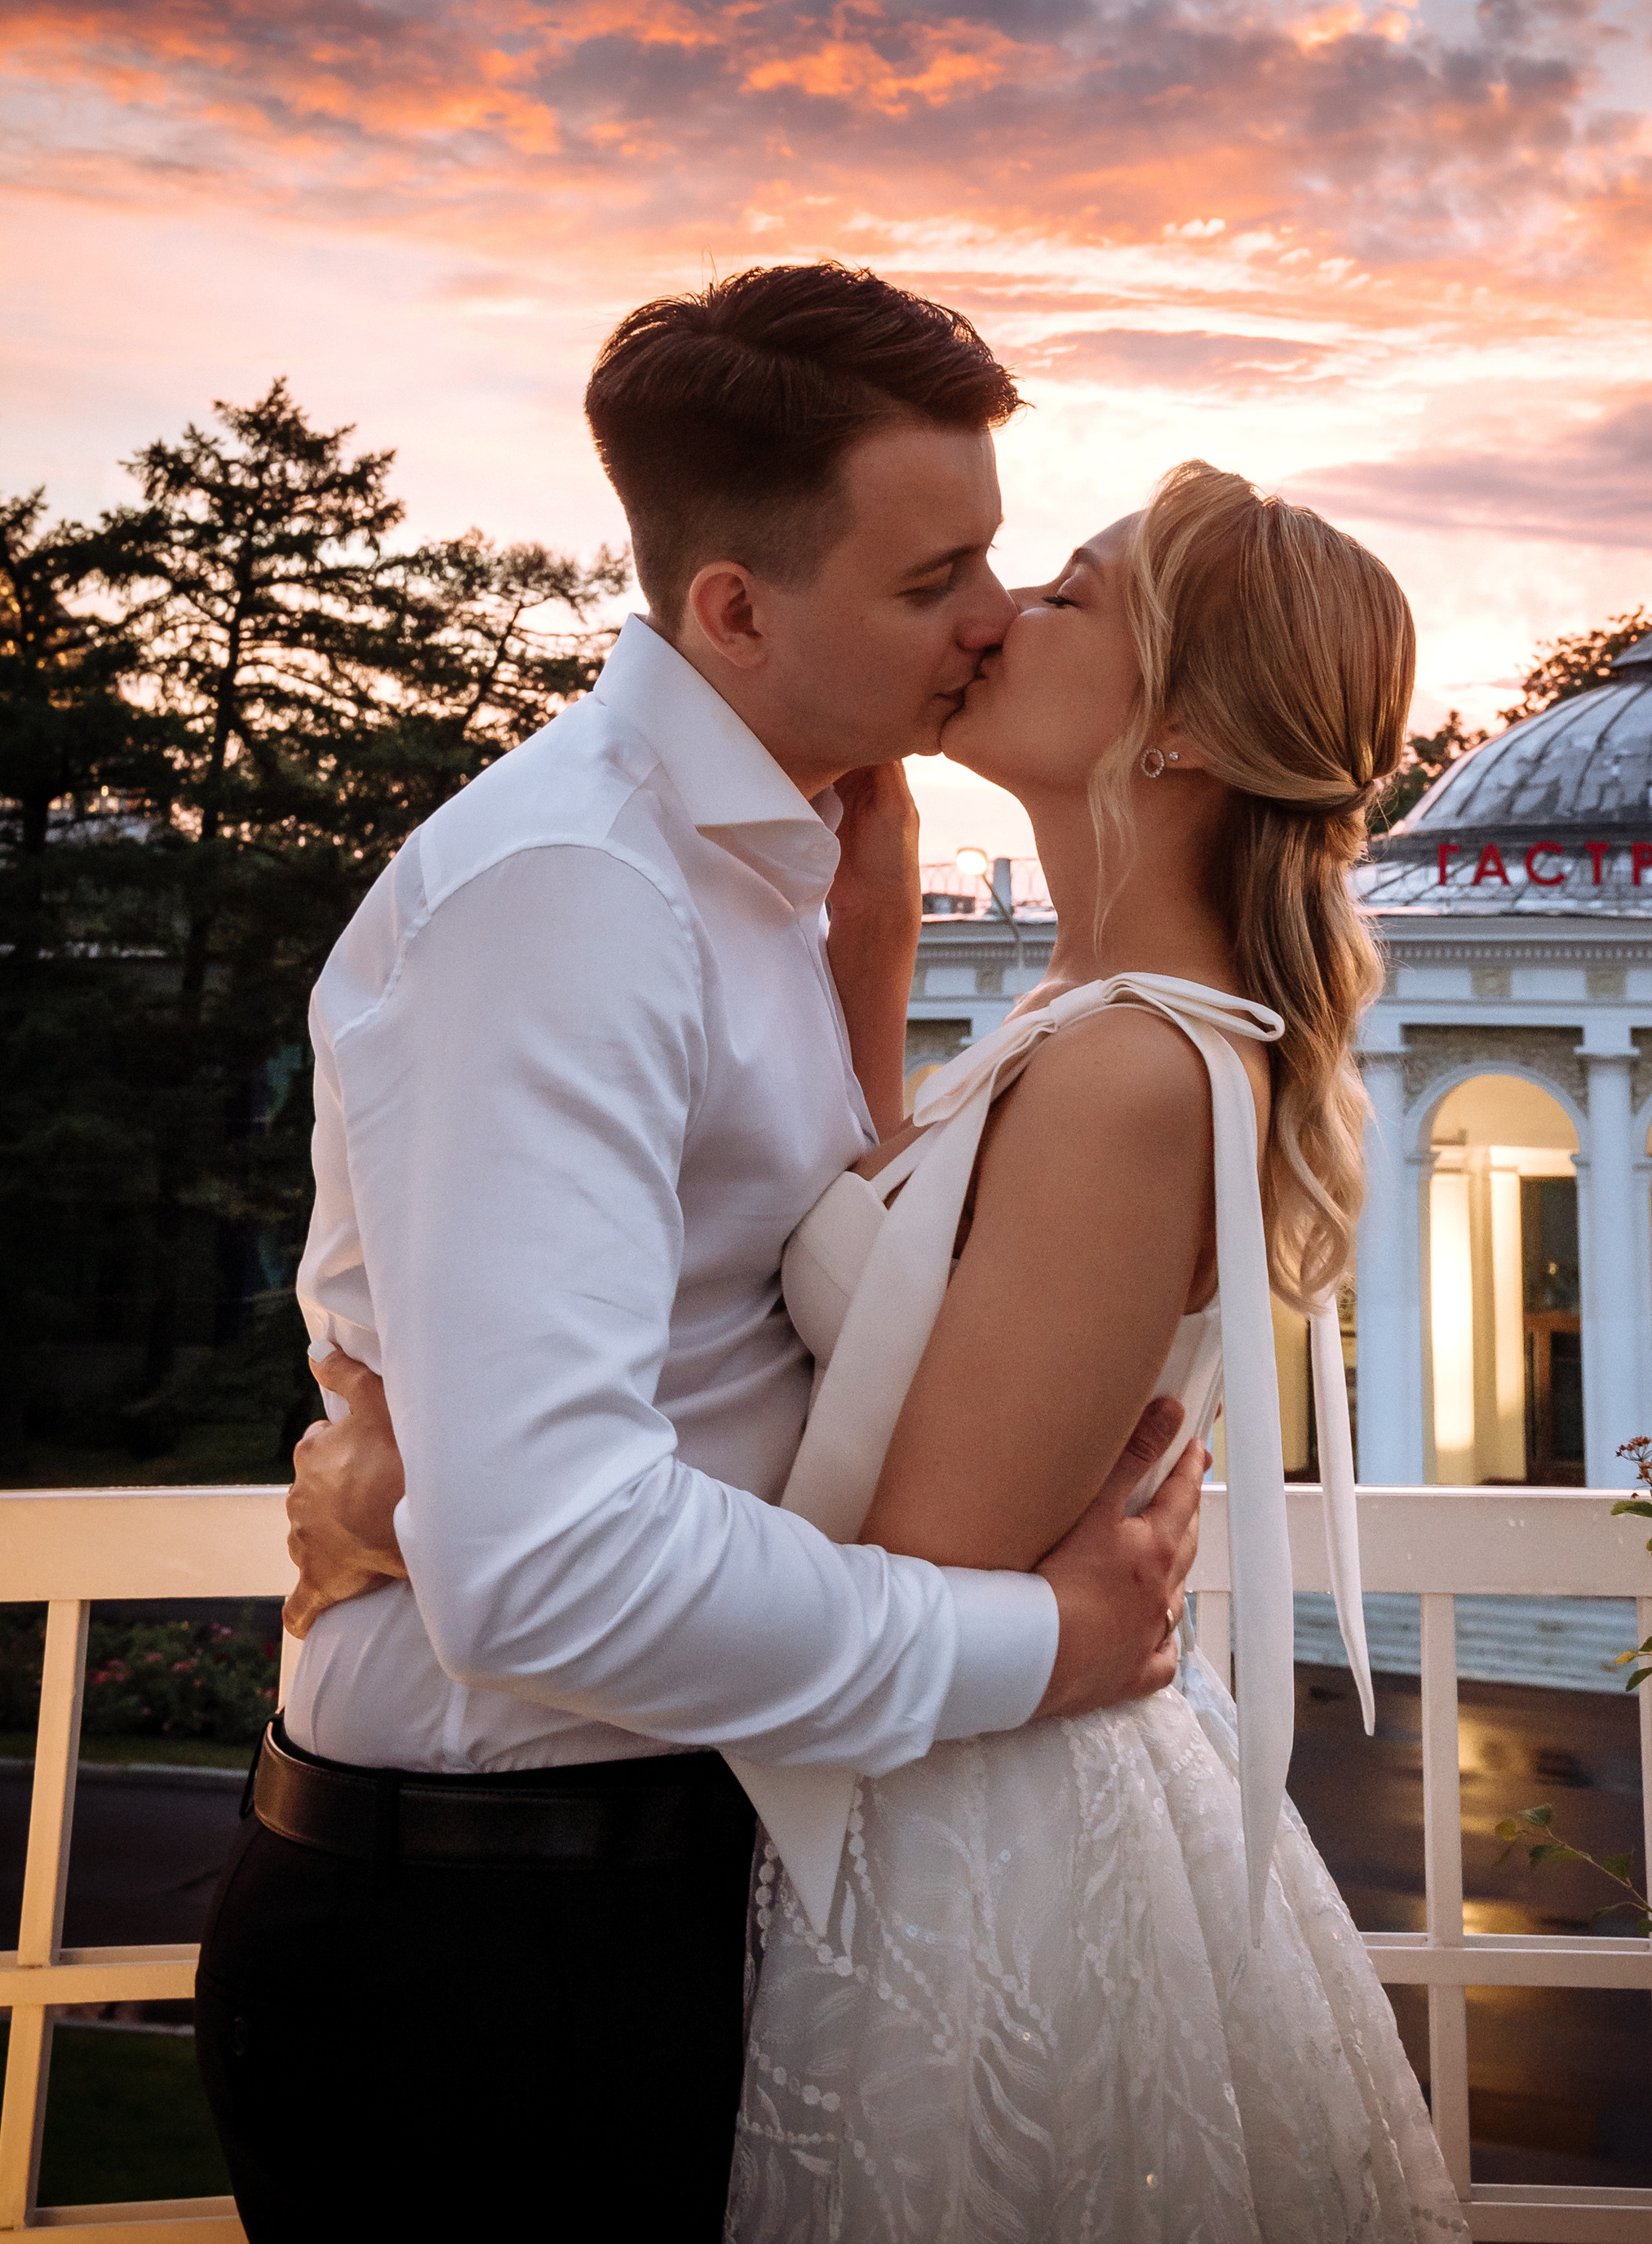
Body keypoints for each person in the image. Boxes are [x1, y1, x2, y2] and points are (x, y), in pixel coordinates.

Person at [295, 459, 1469, 2240]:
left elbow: (911, 1554)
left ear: (1185, 738)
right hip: (909, 1784)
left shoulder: (1133, 1072)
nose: (998, 615)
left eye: (1067, 596)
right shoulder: (1070, 1025)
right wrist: (872, 929)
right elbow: (866, 1278)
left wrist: (431, 1513)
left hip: (975, 1829)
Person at [195, 266, 1203, 2244]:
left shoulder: (769, 870)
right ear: (733, 608)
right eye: (933, 581)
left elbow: (744, 1345)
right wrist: (1046, 1647)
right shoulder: (574, 895)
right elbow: (551, 1560)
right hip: (493, 1948)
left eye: (992, 555)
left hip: (654, 1877)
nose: (990, 617)